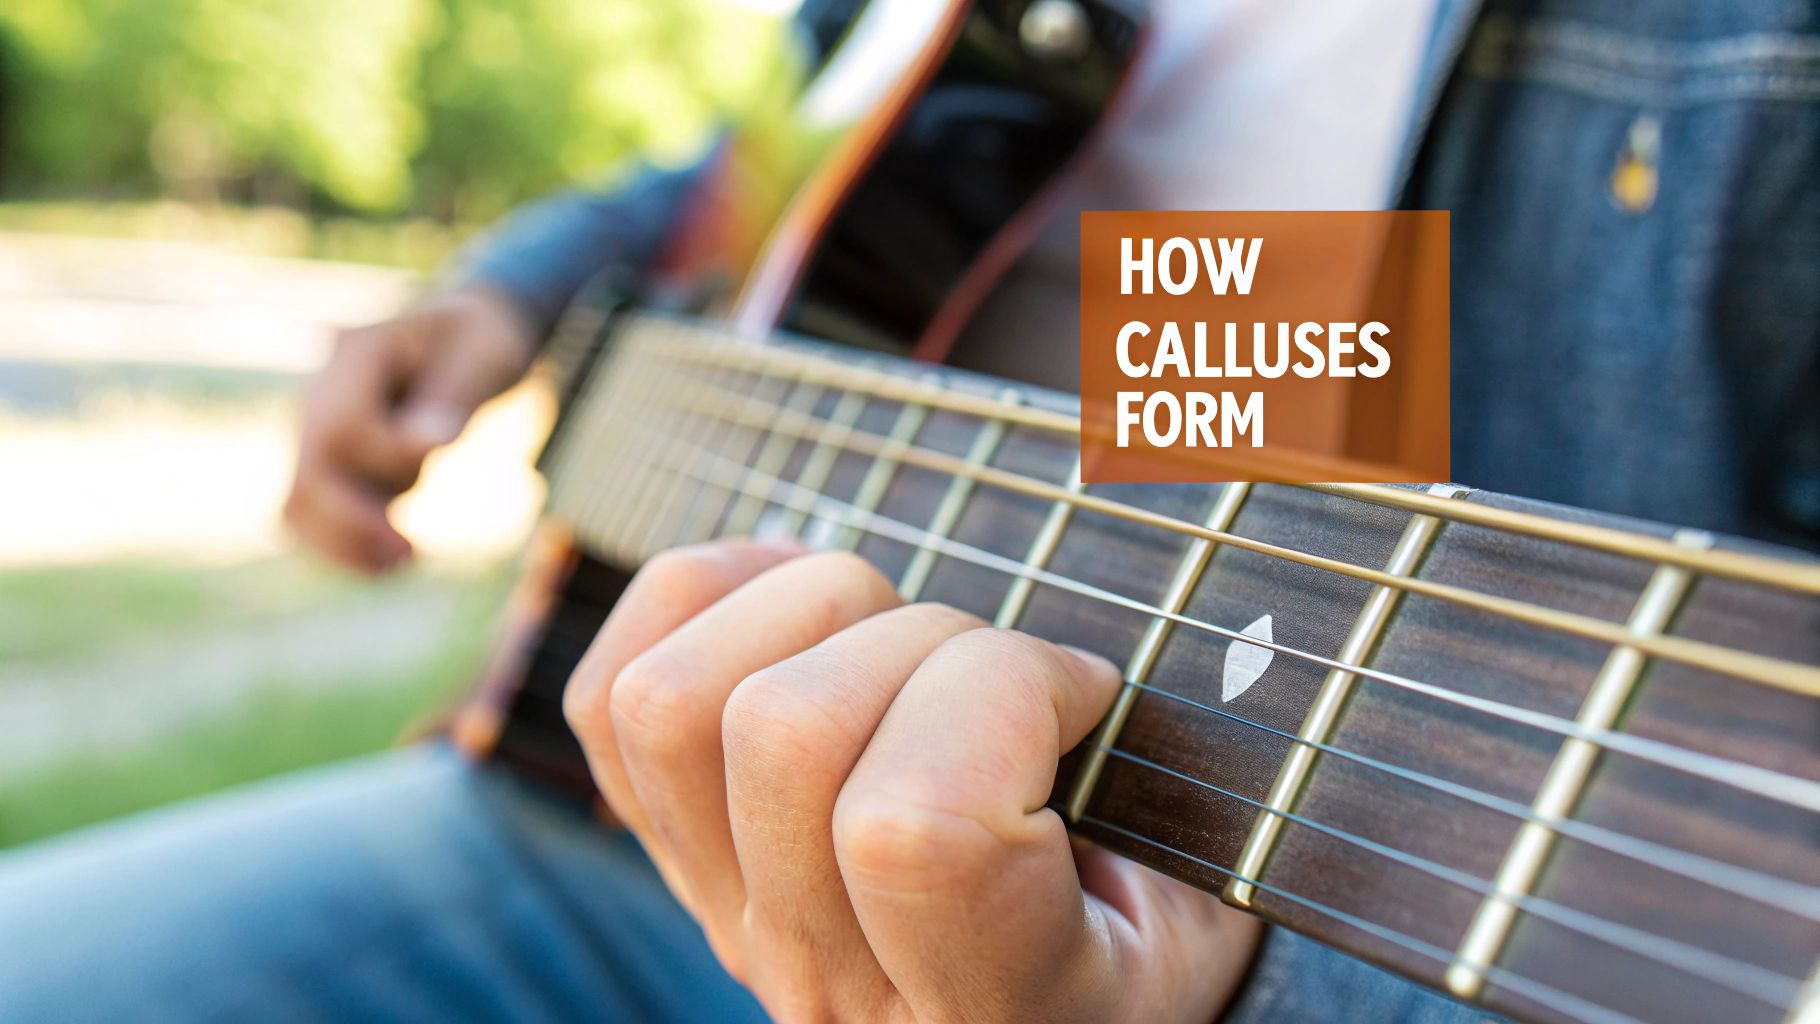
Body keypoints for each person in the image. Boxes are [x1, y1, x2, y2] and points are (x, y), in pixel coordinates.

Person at [3, 0, 1815, 1021]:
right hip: (606, 818)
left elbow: (1695, 892)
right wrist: (516, 290)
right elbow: (757, 182)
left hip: (1140, 956)